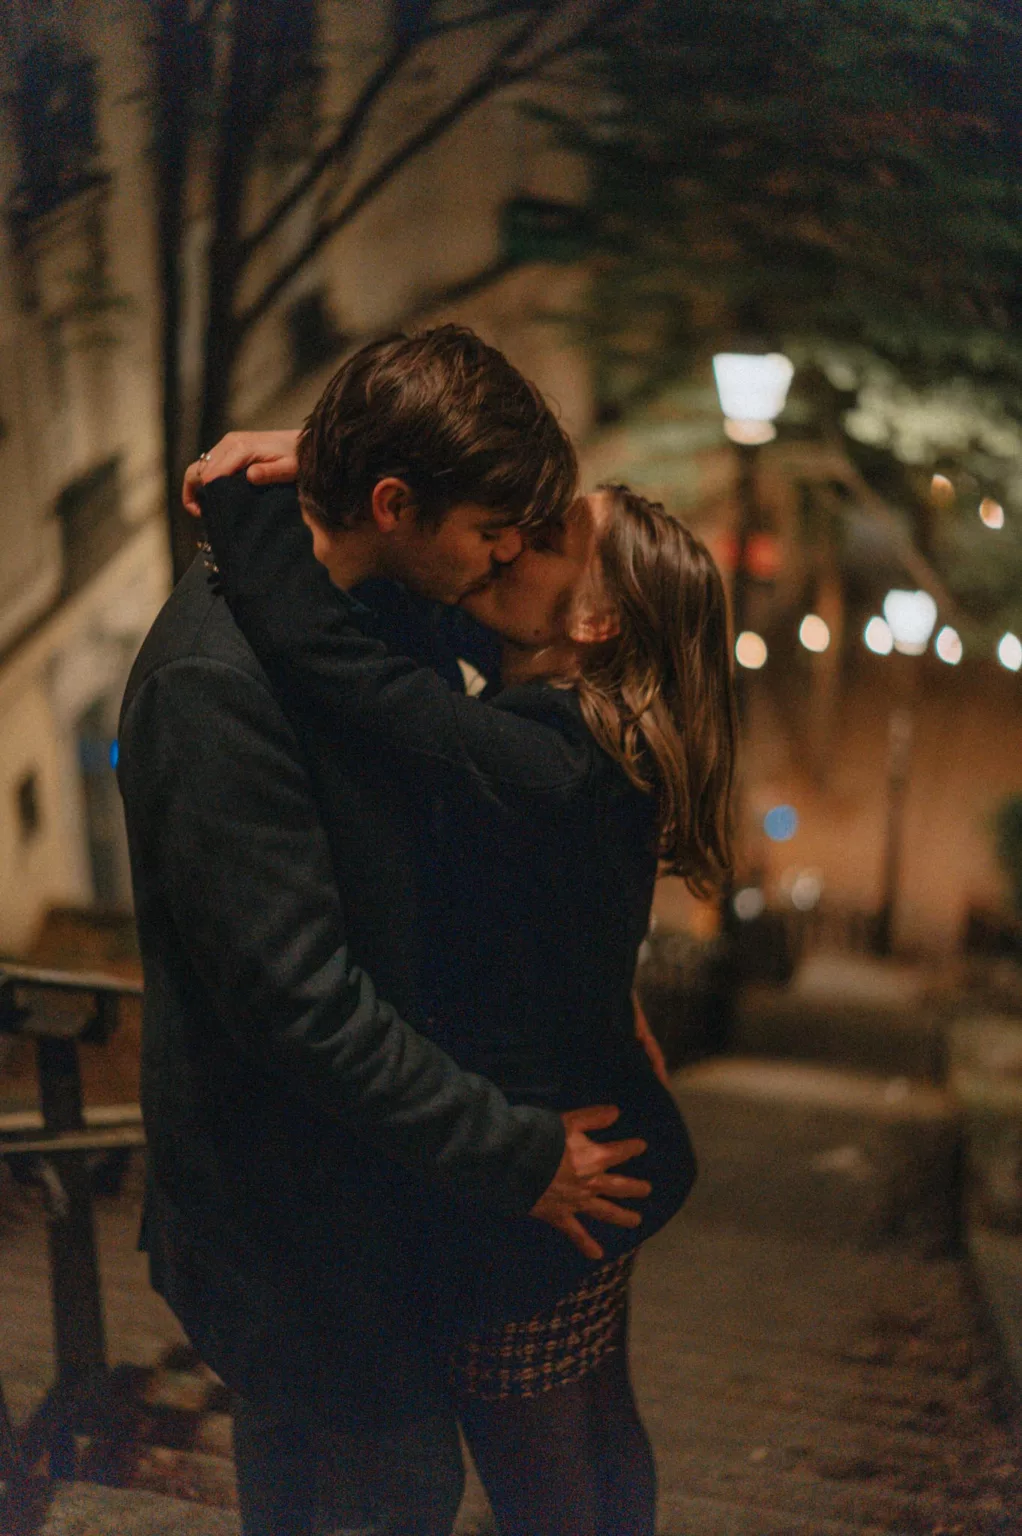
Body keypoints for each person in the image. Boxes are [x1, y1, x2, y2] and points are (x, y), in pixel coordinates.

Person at [117, 328, 653, 1536]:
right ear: (397, 504)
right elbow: (300, 1006)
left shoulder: (391, 598)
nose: (506, 556)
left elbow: (534, 635)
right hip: (291, 1224)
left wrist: (317, 456)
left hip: (363, 1194)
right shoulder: (213, 688)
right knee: (385, 1486)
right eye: (486, 531)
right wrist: (520, 1156)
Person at [192, 419, 736, 1534]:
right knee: (596, 1425)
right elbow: (413, 539)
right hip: (595, 1143)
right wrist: (330, 454)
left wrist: (237, 495)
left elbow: (327, 660)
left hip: (540, 1187)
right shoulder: (588, 742)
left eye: (542, 538)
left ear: (591, 619)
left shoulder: (532, 751)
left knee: (544, 1482)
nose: (506, 546)